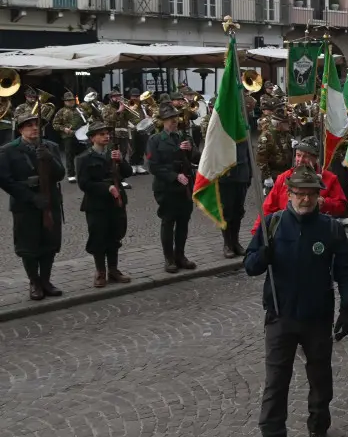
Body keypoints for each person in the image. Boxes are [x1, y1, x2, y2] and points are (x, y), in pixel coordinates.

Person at [244, 166, 348, 437]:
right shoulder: (273, 224)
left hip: (317, 316)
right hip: (280, 317)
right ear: (289, 194)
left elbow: (346, 272)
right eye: (299, 193)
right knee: (275, 386)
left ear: (319, 195)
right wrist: (262, 256)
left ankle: (318, 427)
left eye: (311, 193)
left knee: (319, 376)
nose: (305, 198)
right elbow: (250, 265)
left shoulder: (331, 229)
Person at [0, 112, 66, 300]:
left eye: (37, 125)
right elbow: (5, 180)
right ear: (21, 129)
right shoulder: (8, 150)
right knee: (28, 246)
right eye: (29, 125)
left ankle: (46, 281)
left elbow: (60, 174)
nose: (35, 128)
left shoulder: (50, 147)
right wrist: (30, 196)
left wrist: (49, 158)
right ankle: (34, 282)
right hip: (25, 206)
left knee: (50, 244)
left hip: (50, 202)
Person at [74, 120, 132, 287]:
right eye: (101, 134)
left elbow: (127, 173)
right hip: (96, 205)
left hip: (116, 202)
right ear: (92, 138)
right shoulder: (83, 158)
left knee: (115, 236)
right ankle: (100, 272)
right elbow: (84, 184)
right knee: (98, 237)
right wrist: (106, 188)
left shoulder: (113, 153)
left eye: (107, 133)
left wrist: (121, 160)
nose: (106, 136)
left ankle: (113, 270)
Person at [253, 138, 348, 234]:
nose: (300, 160)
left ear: (315, 158)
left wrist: (325, 203)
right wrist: (257, 233)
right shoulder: (284, 177)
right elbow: (268, 208)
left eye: (306, 156)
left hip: (317, 232)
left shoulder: (329, 178)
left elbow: (341, 206)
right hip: (286, 231)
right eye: (298, 155)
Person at [146, 105, 199, 273]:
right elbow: (153, 166)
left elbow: (197, 157)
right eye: (170, 119)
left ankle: (180, 256)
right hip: (166, 188)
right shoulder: (155, 140)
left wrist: (190, 150)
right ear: (163, 122)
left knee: (183, 222)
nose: (174, 122)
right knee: (168, 222)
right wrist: (174, 176)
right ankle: (169, 259)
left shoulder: (184, 136)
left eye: (175, 118)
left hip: (185, 187)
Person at [218, 136, 252, 259]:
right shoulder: (220, 131)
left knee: (238, 211)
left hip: (242, 175)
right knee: (226, 212)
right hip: (225, 178)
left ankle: (235, 242)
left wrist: (250, 175)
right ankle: (227, 244)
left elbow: (248, 155)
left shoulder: (241, 132)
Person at [52, 91, 90, 184]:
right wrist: (63, 129)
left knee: (85, 154)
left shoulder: (80, 109)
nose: (71, 102)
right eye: (68, 101)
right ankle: (71, 174)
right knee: (69, 155)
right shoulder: (61, 111)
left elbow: (87, 119)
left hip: (82, 135)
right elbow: (55, 124)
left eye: (72, 100)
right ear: (65, 101)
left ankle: (85, 172)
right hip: (68, 135)